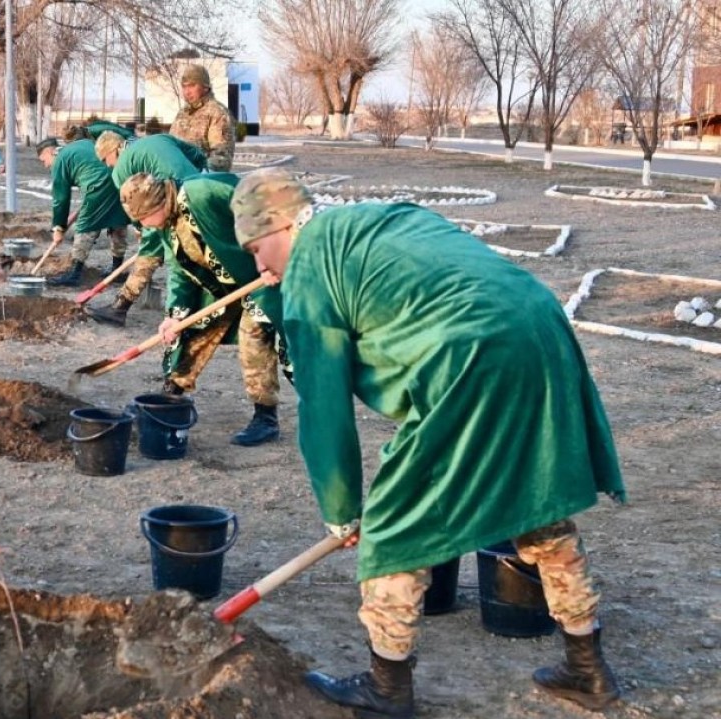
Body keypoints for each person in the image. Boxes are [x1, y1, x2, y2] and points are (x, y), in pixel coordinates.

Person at [229, 167, 626, 717]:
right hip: (539, 323)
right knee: (532, 496)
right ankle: (589, 669)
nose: (257, 263)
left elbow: (324, 406)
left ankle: (387, 685)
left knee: (396, 517)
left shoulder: (311, 269)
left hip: (472, 351)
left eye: (255, 247)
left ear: (280, 224)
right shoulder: (375, 217)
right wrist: (281, 296)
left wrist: (341, 511)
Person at [118, 172, 285, 447]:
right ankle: (170, 397)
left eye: (142, 217)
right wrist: (174, 314)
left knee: (253, 337)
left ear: (157, 204)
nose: (141, 224)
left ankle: (266, 418)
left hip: (264, 276)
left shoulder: (203, 192)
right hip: (222, 284)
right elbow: (180, 272)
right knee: (190, 330)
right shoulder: (167, 226)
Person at [85, 130, 208, 326]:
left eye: (105, 159)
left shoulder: (120, 170)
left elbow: (134, 208)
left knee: (150, 253)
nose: (107, 165)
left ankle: (119, 308)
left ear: (114, 150)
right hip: (198, 191)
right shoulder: (159, 137)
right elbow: (198, 156)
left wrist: (140, 229)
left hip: (166, 202)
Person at [35, 136, 131, 287]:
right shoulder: (79, 145)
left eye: (43, 160)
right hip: (118, 177)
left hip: (97, 185)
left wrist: (58, 228)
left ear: (51, 152)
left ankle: (74, 273)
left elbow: (61, 199)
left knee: (85, 226)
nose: (46, 165)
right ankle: (116, 268)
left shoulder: (59, 161)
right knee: (117, 221)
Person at [170, 64, 236, 172]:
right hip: (176, 177)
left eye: (192, 85)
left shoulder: (217, 113)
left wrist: (201, 176)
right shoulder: (182, 113)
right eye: (184, 86)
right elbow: (171, 145)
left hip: (198, 181)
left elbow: (221, 157)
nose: (187, 91)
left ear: (205, 87)